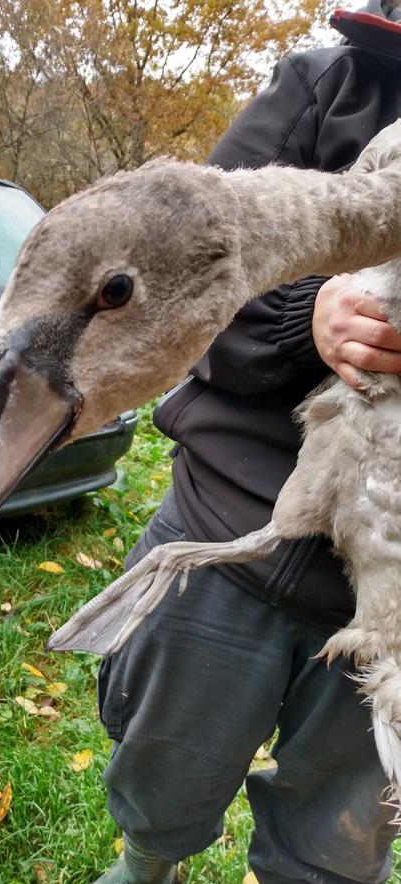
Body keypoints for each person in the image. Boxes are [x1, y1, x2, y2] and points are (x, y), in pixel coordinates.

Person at [95, 3, 401, 882]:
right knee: (164, 779)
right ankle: (148, 862)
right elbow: (179, 285)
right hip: (230, 544)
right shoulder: (329, 88)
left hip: (382, 613)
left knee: (334, 849)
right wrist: (311, 316)